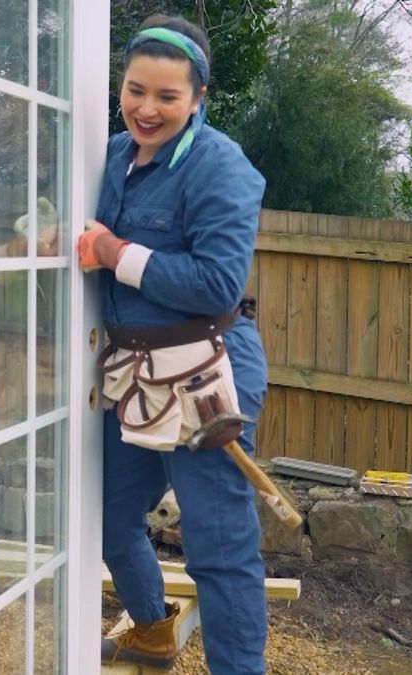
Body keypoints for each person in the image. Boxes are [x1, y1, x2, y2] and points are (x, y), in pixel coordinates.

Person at [77, 15, 269, 674]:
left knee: (217, 542)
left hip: (207, 366)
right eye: (136, 91)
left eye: (167, 96)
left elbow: (217, 281)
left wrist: (114, 251)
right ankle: (154, 631)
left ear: (199, 97)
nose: (147, 109)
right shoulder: (104, 155)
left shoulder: (221, 166)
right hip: (135, 367)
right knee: (104, 513)